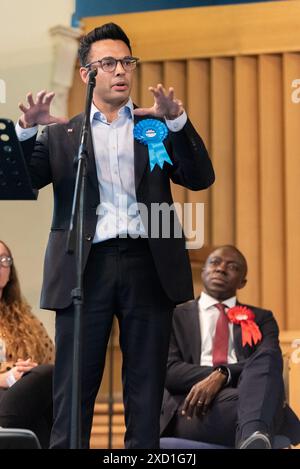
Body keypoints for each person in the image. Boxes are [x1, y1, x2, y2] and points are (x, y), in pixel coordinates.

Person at [15, 23, 215, 448]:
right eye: (109, 63)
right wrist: (28, 131)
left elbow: (200, 177)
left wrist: (177, 120)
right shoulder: (63, 134)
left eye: (127, 62)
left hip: (149, 263)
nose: (121, 70)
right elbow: (21, 184)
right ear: (88, 74)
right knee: (74, 387)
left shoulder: (153, 126)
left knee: (145, 387)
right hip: (84, 267)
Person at [160, 245, 300, 449]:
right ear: (203, 270)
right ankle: (256, 434)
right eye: (215, 263)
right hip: (191, 408)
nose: (221, 269)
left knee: (269, 355)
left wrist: (224, 374)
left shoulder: (262, 318)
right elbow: (169, 370)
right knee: (268, 405)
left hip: (243, 397)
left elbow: (269, 362)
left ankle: (252, 437)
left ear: (242, 282)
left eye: (232, 266)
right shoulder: (174, 316)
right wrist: (213, 378)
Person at [0, 240, 54, 448]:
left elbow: (50, 363)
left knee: (48, 376)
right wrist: (8, 377)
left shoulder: (26, 319)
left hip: (24, 395)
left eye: (5, 260)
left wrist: (27, 374)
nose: (0, 265)